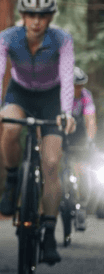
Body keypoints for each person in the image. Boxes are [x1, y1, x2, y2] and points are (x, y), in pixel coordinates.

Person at [0, 0, 76, 265]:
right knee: (10, 128)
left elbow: (68, 78)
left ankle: (48, 232)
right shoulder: (6, 38)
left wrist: (66, 112)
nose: (36, 20)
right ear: (22, 15)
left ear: (50, 17)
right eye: (30, 14)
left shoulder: (62, 40)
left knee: (50, 162)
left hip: (51, 97)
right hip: (19, 93)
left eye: (42, 15)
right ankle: (13, 181)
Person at [68, 66, 97, 229]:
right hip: (61, 133)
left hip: (79, 137)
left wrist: (90, 139)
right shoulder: (60, 96)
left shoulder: (86, 96)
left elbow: (90, 120)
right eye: (75, 85)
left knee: (84, 172)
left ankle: (82, 207)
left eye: (80, 85)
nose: (78, 89)